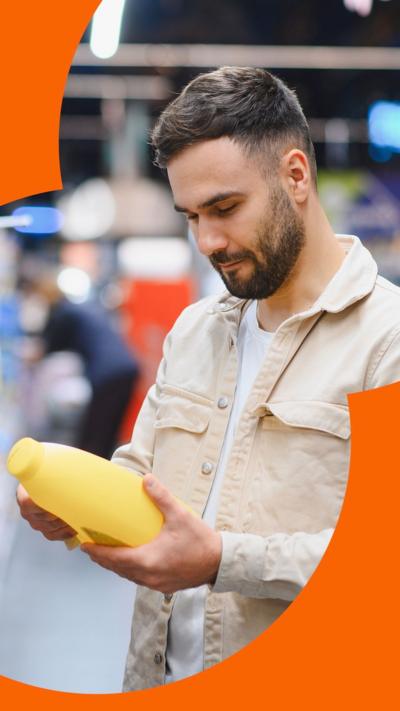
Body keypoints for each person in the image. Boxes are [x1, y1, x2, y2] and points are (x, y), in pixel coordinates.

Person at [17, 67, 400, 691]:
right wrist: (80, 504)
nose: (207, 241)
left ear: (295, 176)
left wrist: (222, 560)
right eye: (191, 216)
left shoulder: (387, 341)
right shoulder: (195, 329)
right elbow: (141, 472)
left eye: (224, 208)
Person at [19, 269, 139, 459]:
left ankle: (88, 481)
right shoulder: (81, 308)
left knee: (93, 436)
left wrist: (29, 355)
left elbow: (47, 346)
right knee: (109, 434)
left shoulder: (64, 312)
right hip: (128, 367)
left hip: (107, 373)